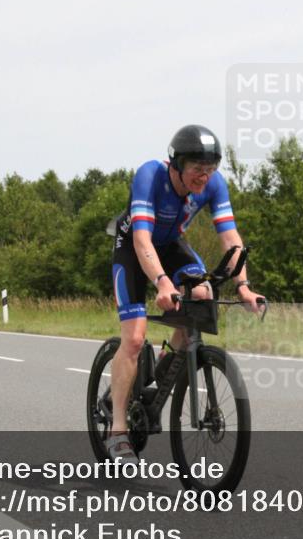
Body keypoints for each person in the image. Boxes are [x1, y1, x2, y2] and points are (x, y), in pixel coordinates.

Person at [107, 125, 264, 464]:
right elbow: (142, 240)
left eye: (210, 169)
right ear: (176, 164)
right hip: (135, 247)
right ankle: (117, 431)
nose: (204, 176)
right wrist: (162, 282)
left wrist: (244, 286)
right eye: (197, 168)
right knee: (134, 339)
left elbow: (230, 237)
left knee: (203, 294)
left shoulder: (214, 185)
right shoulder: (150, 175)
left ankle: (165, 364)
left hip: (172, 247)